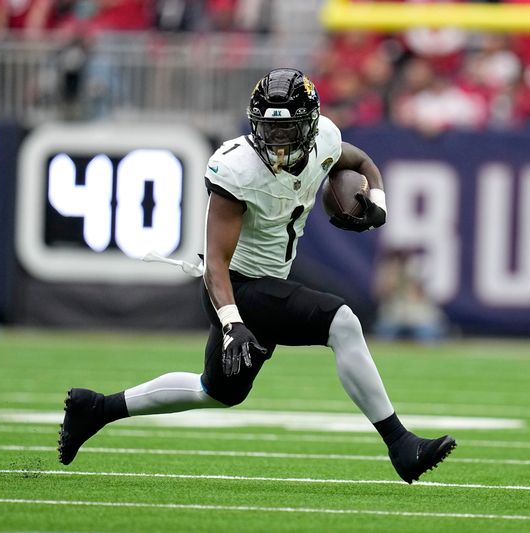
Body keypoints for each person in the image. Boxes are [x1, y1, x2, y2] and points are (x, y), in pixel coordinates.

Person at [57, 68, 456, 484]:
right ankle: (400, 443)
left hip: (269, 283)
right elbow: (215, 265)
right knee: (343, 323)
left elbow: (361, 161)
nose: (278, 142)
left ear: (311, 125)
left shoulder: (326, 139)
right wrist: (232, 324)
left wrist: (376, 198)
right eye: (270, 130)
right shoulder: (237, 169)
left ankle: (96, 408)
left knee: (215, 391)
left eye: (288, 130)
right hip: (234, 289)